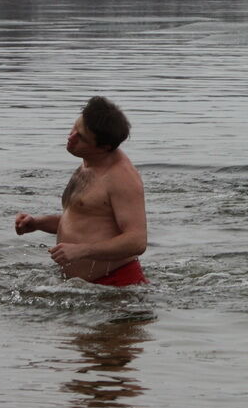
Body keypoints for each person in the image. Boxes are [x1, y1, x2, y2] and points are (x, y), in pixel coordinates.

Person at [14, 96, 148, 285]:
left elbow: (137, 241)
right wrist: (37, 223)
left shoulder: (121, 177)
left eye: (81, 138)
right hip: (87, 289)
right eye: (75, 128)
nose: (71, 138)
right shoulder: (89, 163)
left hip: (118, 288)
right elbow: (84, 222)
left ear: (104, 147)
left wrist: (82, 250)